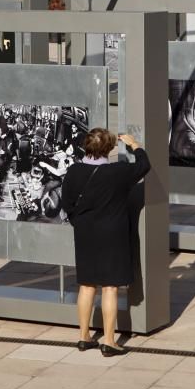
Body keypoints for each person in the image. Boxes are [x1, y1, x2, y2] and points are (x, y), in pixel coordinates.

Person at [61, 130, 150, 357]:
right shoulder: (117, 171)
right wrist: (134, 145)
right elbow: (144, 165)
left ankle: (84, 337)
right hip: (112, 233)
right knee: (110, 287)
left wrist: (79, 222)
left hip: (85, 232)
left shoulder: (74, 171)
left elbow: (67, 203)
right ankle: (109, 341)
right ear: (110, 148)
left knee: (87, 285)